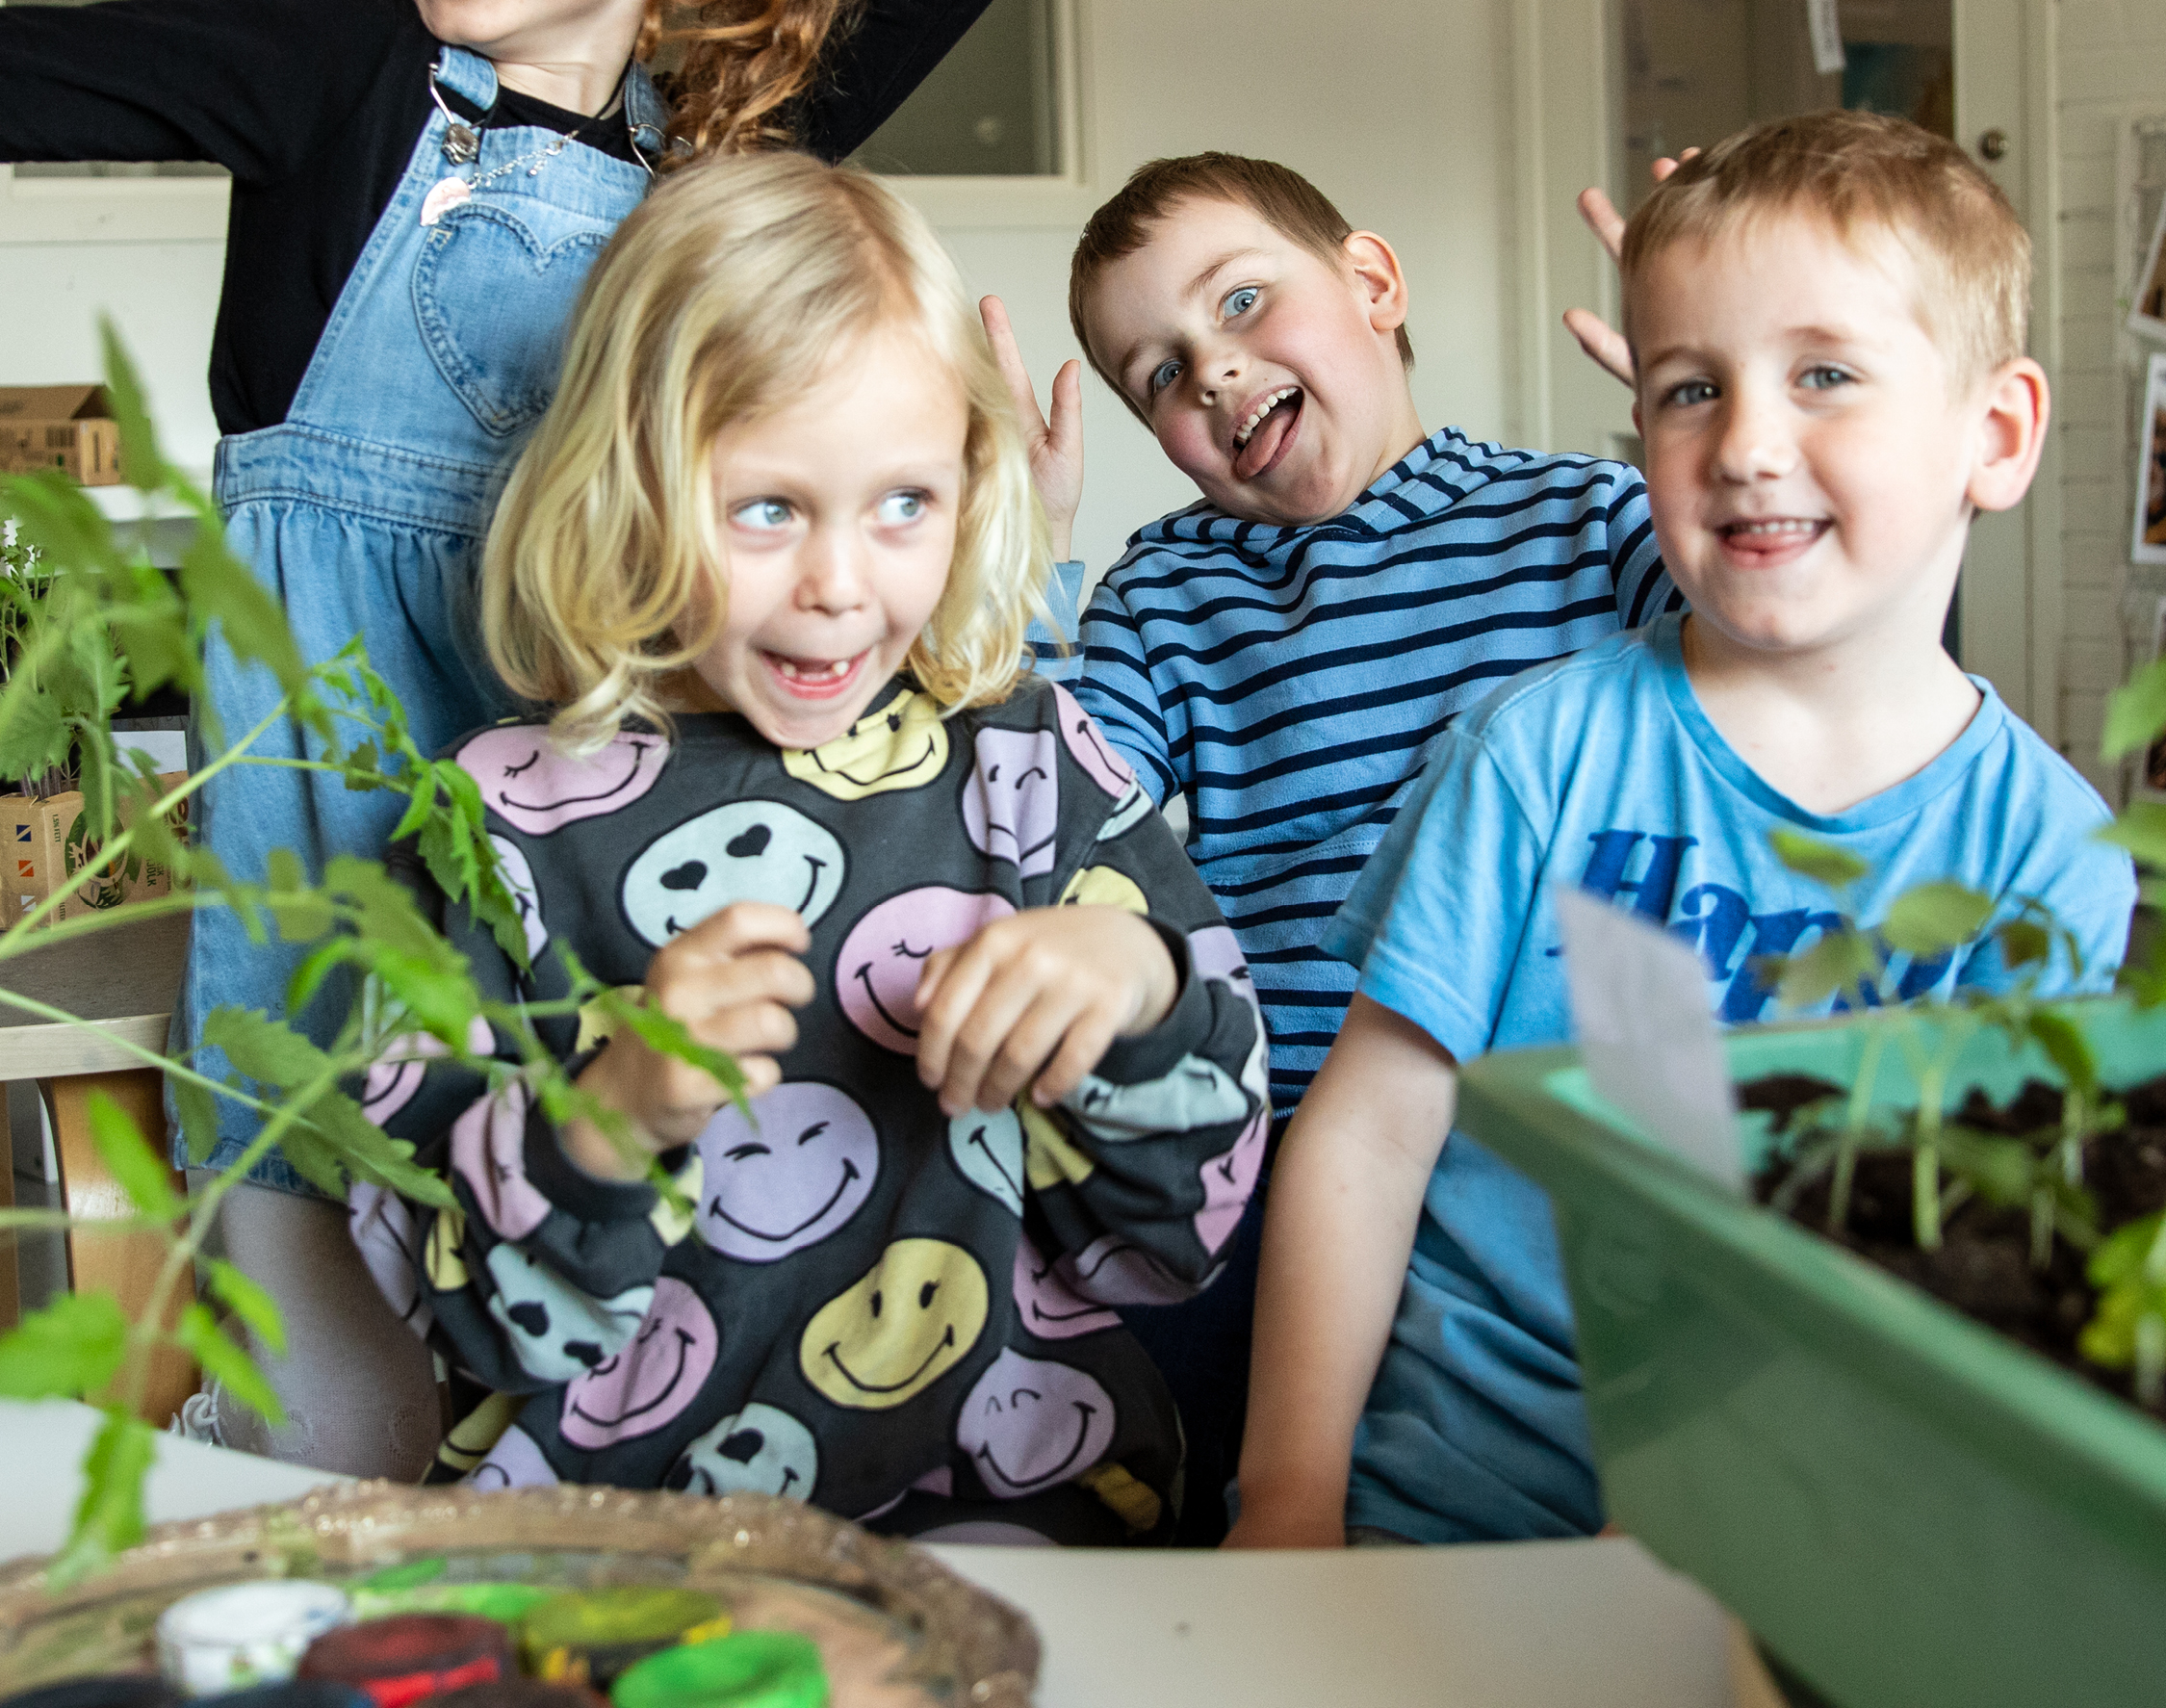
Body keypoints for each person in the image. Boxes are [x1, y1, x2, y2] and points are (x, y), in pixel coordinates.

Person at [0, 0, 1062, 1471]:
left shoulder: (741, 128)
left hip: (631, 855)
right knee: (329, 1332)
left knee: (615, 1311)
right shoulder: (344, 77)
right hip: (339, 840)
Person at [1228, 111, 2136, 1549]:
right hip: (1462, 1503)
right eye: (1685, 389)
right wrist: (1285, 1498)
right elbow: (1368, 1135)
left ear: (1996, 433)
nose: (1745, 445)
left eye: (1823, 373)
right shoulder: (1536, 750)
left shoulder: (2047, 854)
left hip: (1815, 1534)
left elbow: (1992, 1272)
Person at [349, 152, 1265, 1536]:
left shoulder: (1026, 763)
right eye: (767, 507)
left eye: (903, 502)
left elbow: (1175, 1233)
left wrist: (1132, 989)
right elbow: (457, 1317)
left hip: (1018, 1527)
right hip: (627, 1558)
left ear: (970, 483)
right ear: (628, 486)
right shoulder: (498, 825)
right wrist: (608, 1119)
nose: (841, 584)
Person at [985, 151, 1676, 1534]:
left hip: (1562, 1135)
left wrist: (1699, 384)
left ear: (1371, 282)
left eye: (1242, 302)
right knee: (1181, 1422)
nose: (1214, 374)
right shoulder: (1168, 587)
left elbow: (1767, 654)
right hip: (1290, 1139)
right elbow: (1037, 815)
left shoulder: (1587, 520)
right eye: (1159, 377)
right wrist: (1020, 558)